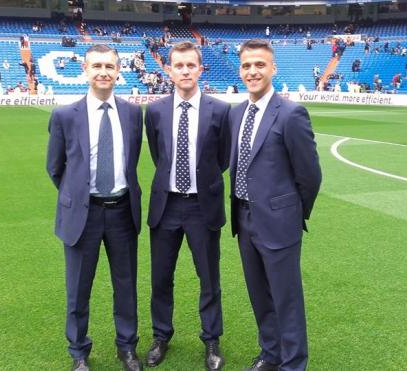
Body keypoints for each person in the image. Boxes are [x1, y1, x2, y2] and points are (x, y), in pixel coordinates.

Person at [46, 44, 144, 371]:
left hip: (121, 212)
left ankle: (127, 347)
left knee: (126, 285)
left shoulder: (132, 113)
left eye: (109, 66)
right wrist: (77, 196)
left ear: (119, 72)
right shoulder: (64, 116)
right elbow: (55, 167)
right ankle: (79, 353)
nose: (103, 72)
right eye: (97, 66)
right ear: (85, 71)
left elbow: (132, 162)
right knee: (78, 290)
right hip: (82, 215)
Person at [229, 39, 321, 371]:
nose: (252, 71)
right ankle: (271, 353)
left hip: (279, 222)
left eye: (259, 64)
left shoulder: (291, 113)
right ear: (240, 70)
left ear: (272, 68)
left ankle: (293, 363)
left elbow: (310, 175)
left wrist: (291, 213)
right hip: (244, 219)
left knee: (287, 299)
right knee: (260, 296)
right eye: (246, 66)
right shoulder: (236, 113)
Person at [143, 41, 230, 371]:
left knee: (209, 279)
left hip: (202, 207)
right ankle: (160, 336)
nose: (184, 71)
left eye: (190, 65)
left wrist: (200, 180)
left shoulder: (220, 110)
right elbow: (158, 155)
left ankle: (211, 340)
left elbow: (220, 158)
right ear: (169, 70)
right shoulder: (155, 110)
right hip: (165, 206)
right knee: (161, 278)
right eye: (178, 66)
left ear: (199, 68)